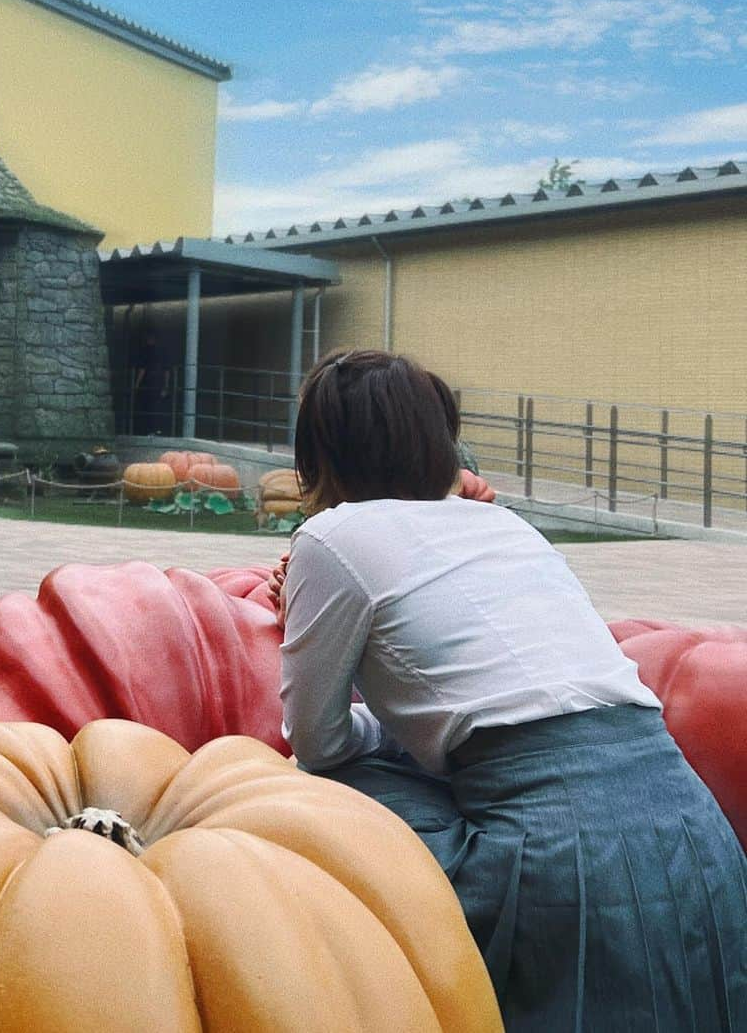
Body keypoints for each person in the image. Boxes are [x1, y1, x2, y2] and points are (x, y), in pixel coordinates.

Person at [269, 348, 746, 1032]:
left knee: (295, 787)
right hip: (692, 835)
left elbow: (317, 743)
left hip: (559, 860)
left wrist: (384, 721)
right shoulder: (505, 524)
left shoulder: (330, 537)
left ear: (321, 449)